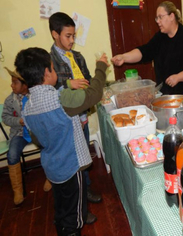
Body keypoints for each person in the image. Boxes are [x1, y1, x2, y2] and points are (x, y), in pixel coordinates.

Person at [14, 47, 109, 236]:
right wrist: (101, 67)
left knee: (63, 208)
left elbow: (37, 139)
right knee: (75, 216)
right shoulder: (61, 99)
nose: (55, 71)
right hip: (72, 167)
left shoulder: (28, 106)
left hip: (53, 167)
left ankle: (63, 228)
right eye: (53, 68)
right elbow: (94, 95)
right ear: (47, 73)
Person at [48, 12, 102, 223]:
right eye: (68, 36)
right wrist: (69, 84)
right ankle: (79, 207)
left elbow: (87, 78)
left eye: (73, 36)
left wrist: (88, 84)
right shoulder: (48, 61)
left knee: (84, 156)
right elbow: (50, 90)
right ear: (55, 34)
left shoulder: (77, 57)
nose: (72, 40)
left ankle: (85, 190)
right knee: (72, 162)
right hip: (65, 119)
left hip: (82, 115)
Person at [111, 1, 183, 109]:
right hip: (167, 95)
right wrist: (124, 57)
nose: (158, 21)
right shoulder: (160, 37)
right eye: (157, 18)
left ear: (171, 16)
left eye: (160, 17)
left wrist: (178, 77)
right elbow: (145, 51)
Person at [2, 67, 51, 206]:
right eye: (11, 83)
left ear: (24, 85)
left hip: (36, 131)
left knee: (47, 147)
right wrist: (19, 121)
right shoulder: (10, 100)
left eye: (15, 83)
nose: (11, 85)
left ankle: (50, 177)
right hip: (19, 134)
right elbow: (5, 117)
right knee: (12, 154)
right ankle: (17, 191)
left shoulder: (35, 96)